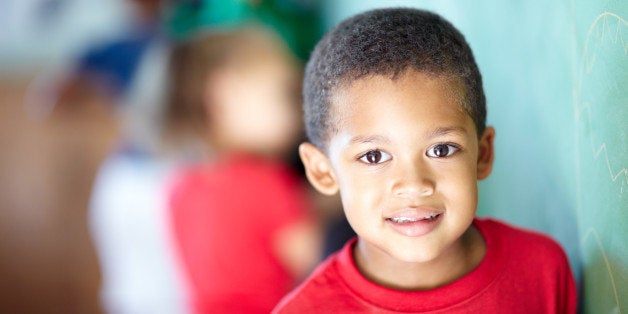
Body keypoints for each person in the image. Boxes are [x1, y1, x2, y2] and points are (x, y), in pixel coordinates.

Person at [273, 8, 577, 313]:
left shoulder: (543, 269)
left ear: (482, 155)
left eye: (441, 150)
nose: (414, 185)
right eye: (374, 156)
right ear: (323, 172)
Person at [166, 25, 322, 313]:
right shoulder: (266, 182)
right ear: (226, 94)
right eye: (282, 93)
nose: (296, 109)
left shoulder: (180, 184)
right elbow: (317, 260)